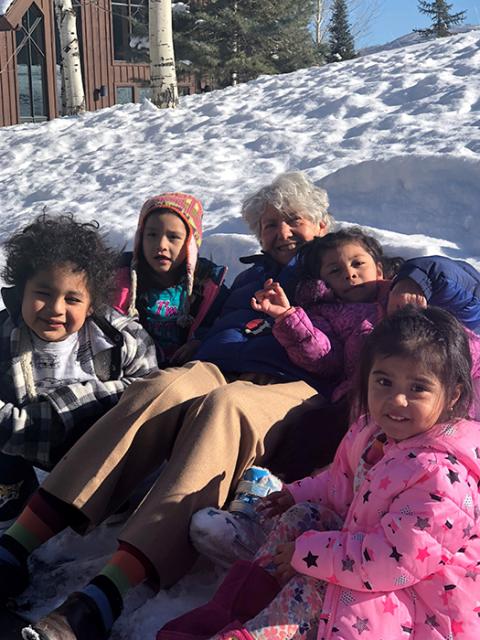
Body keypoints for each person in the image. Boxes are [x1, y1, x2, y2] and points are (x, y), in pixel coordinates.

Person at [0, 172, 336, 640]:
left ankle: (104, 595)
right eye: (268, 224)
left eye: (292, 221)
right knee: (158, 388)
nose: (280, 233)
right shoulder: (250, 276)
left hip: (292, 385)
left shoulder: (344, 265)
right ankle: (15, 546)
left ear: (322, 224)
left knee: (227, 406)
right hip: (218, 365)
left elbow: (396, 313)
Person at [159, 306, 480, 640]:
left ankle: (258, 633)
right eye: (384, 381)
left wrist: (307, 554)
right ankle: (236, 605)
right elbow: (343, 479)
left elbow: (394, 562)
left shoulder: (440, 476)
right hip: (362, 550)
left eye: (418, 388)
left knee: (318, 578)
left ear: (452, 395)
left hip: (413, 601)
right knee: (303, 516)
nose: (396, 399)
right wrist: (297, 492)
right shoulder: (374, 432)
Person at [190, 228, 480, 568]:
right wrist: (288, 319)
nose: (350, 273)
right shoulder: (330, 313)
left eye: (358, 263)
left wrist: (414, 282)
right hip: (358, 405)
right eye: (335, 271)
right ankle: (273, 516)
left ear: (382, 267)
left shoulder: (414, 299)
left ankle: (329, 545)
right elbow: (323, 357)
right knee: (311, 437)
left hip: (431, 414)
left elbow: (459, 290)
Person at [0, 214, 157, 524]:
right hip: (20, 451)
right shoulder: (4, 337)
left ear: (91, 304)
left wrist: (78, 404)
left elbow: (150, 391)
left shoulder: (120, 339)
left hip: (97, 456)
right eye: (42, 294)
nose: (56, 308)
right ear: (22, 292)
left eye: (72, 298)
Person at [113, 192, 228, 366]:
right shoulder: (121, 280)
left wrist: (200, 341)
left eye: (173, 237)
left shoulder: (207, 283)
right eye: (152, 235)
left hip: (186, 370)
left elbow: (223, 323)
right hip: (132, 367)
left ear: (190, 244)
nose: (161, 245)